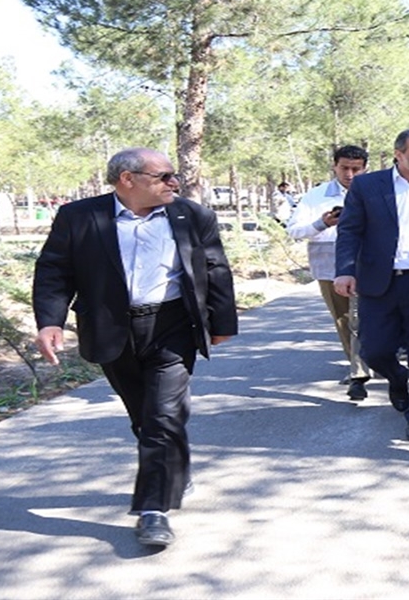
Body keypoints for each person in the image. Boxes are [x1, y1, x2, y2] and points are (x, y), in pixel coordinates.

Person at [32, 148, 237, 548]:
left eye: (174, 176)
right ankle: (174, 469)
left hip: (173, 325)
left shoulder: (192, 215)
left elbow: (214, 267)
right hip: (111, 328)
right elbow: (55, 269)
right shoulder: (80, 216)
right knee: (145, 417)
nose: (174, 183)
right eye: (163, 177)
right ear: (127, 179)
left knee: (162, 416)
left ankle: (153, 509)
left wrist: (222, 322)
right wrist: (50, 321)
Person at [334, 129, 409, 442]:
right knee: (374, 350)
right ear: (398, 154)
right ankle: (397, 377)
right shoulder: (367, 185)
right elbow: (350, 231)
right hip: (379, 282)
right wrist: (345, 270)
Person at [285, 145, 370, 398]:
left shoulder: (376, 192)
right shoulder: (316, 195)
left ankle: (374, 361)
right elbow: (293, 230)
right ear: (334, 166)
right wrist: (321, 223)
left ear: (365, 168)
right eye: (344, 168)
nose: (350, 174)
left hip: (370, 262)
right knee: (344, 319)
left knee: (370, 317)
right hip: (329, 264)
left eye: (356, 169)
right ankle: (358, 372)